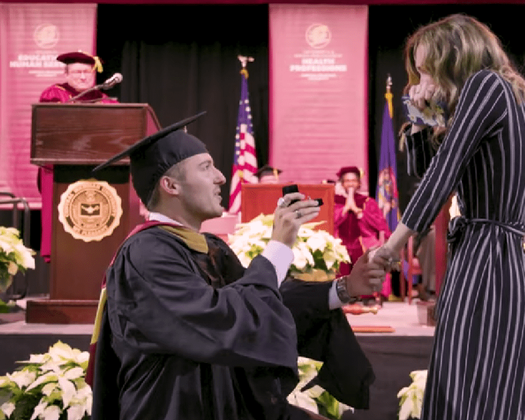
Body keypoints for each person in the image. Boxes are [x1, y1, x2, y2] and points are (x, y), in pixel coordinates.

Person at [87, 113, 383, 420]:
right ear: (170, 185)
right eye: (206, 168)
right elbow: (225, 319)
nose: (221, 177)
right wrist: (278, 245)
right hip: (171, 409)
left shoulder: (211, 248)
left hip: (222, 405)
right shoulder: (145, 255)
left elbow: (261, 303)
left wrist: (346, 288)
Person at [372, 14, 525, 419]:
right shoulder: (511, 95)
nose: (423, 80)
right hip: (497, 266)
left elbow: (439, 177)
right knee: (487, 403)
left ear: (454, 57)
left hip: (486, 267)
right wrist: (421, 117)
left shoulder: (486, 86)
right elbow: (430, 170)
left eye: (428, 68)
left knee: (461, 403)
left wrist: (390, 248)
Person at [36, 51, 118, 262]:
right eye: (77, 72)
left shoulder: (103, 99)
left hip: (98, 169)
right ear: (66, 73)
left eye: (87, 72)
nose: (83, 77)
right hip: (61, 167)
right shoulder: (54, 95)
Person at [333, 166, 391, 277]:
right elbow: (330, 222)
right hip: (339, 245)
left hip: (362, 244)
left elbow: (379, 224)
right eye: (347, 181)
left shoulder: (368, 202)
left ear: (359, 184)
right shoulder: (335, 202)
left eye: (354, 181)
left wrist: (358, 212)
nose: (350, 184)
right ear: (342, 183)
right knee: (340, 279)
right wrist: (345, 210)